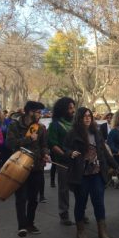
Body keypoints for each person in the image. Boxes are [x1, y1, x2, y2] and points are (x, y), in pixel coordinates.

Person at [64, 107, 119, 238]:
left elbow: (104, 151)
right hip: (81, 174)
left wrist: (115, 165)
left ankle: (102, 230)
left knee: (99, 202)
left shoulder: (97, 132)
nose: (88, 118)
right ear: (79, 118)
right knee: (81, 202)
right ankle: (80, 229)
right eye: (84, 116)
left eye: (89, 116)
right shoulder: (72, 133)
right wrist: (70, 153)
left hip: (96, 173)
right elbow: (64, 148)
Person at [6, 101, 50, 238]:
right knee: (21, 197)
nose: (40, 115)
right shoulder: (15, 125)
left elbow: (44, 145)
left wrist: (46, 154)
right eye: (38, 112)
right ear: (30, 112)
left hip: (36, 166)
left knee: (33, 198)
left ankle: (30, 223)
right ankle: (22, 226)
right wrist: (29, 139)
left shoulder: (40, 128)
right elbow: (10, 144)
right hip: (19, 165)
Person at [48, 97, 76, 226]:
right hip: (63, 161)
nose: (73, 110)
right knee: (64, 189)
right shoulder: (55, 125)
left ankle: (81, 212)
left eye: (73, 107)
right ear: (63, 109)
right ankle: (64, 214)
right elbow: (53, 144)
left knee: (80, 188)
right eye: (70, 108)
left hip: (78, 161)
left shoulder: (76, 123)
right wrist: (65, 155)